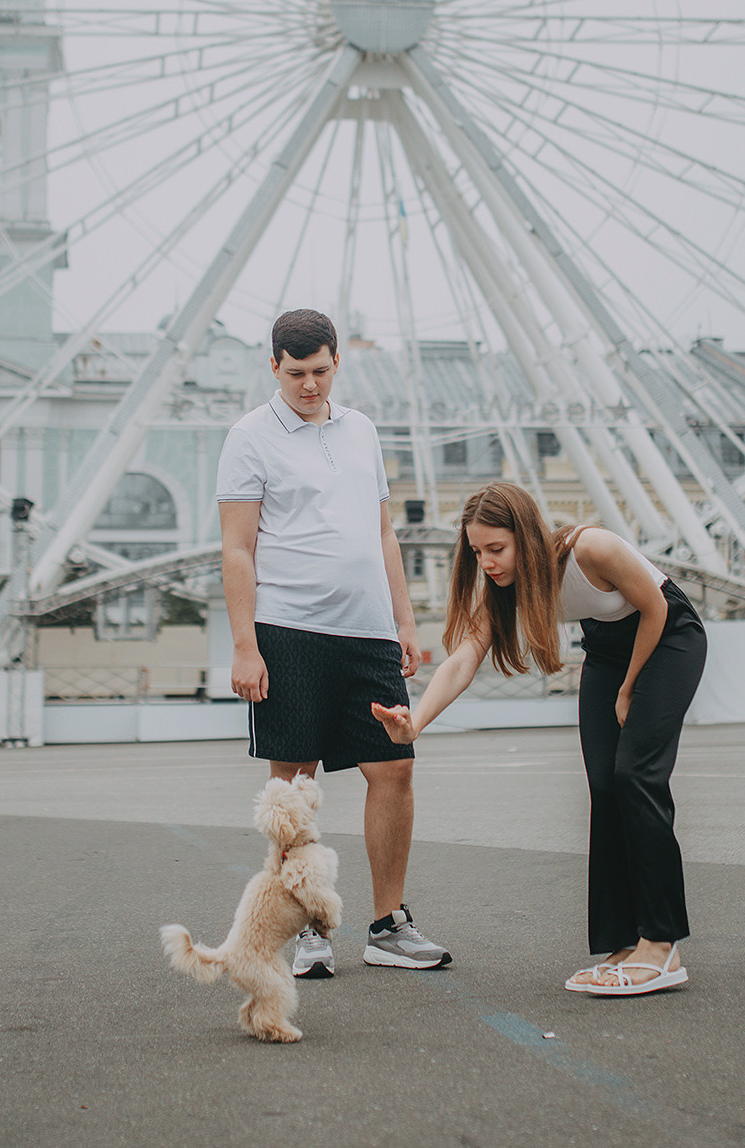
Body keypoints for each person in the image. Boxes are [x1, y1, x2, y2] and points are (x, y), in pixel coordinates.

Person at [372, 481, 706, 997]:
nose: (487, 562)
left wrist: (629, 687)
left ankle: (662, 947)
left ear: (526, 536)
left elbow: (657, 610)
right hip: (608, 650)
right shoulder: (503, 590)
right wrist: (415, 722)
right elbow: (464, 658)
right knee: (605, 785)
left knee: (635, 774)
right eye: (478, 552)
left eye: (497, 549)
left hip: (666, 640)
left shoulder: (591, 548)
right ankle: (624, 944)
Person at [216, 308, 451, 979]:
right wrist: (244, 645)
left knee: (395, 767)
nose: (310, 386)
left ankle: (388, 925)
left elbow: (382, 532)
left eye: (321, 371)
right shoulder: (249, 436)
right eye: (296, 374)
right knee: (293, 786)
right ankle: (308, 928)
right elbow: (237, 548)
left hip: (368, 629)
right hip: (287, 629)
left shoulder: (362, 431)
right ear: (273, 367)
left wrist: (403, 620)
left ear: (336, 361)